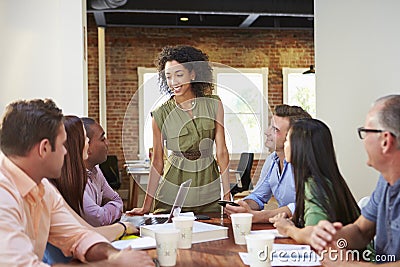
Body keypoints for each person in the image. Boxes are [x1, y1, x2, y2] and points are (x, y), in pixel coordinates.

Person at [0, 98, 154, 266]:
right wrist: (112, 263)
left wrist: (114, 256)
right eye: (62, 145)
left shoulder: (42, 188)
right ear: (44, 148)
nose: (66, 152)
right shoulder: (4, 196)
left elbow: (79, 236)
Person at [128, 45, 230, 215]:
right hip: (172, 191)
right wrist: (146, 206)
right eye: (168, 77)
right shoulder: (160, 114)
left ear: (193, 74)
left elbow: (222, 152)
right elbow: (157, 162)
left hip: (208, 189)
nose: (173, 82)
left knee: (211, 236)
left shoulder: (214, 104)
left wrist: (227, 196)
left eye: (179, 75)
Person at [308, 95, 400, 266]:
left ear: (386, 141)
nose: (363, 139)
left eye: (365, 132)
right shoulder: (385, 181)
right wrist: (330, 238)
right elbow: (360, 231)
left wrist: (351, 265)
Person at [44, 115, 138, 264]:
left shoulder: (50, 188)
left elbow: (85, 234)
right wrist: (122, 229)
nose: (87, 143)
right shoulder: (47, 188)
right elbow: (93, 226)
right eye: (85, 139)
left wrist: (115, 256)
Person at [268, 119, 362, 246]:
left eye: (287, 140)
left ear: (300, 147)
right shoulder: (324, 180)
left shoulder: (314, 186)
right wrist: (291, 224)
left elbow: (314, 237)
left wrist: (288, 229)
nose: (285, 145)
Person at [225, 104, 311, 222]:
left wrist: (259, 216)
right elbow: (258, 196)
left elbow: (305, 206)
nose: (267, 132)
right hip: (287, 226)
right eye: (270, 127)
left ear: (293, 137)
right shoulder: (272, 160)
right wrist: (241, 206)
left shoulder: (307, 163)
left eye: (275, 129)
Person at [81, 117, 124, 226]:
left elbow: (117, 199)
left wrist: (105, 212)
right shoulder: (73, 179)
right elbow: (98, 219)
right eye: (102, 138)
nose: (107, 143)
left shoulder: (96, 170)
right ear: (87, 146)